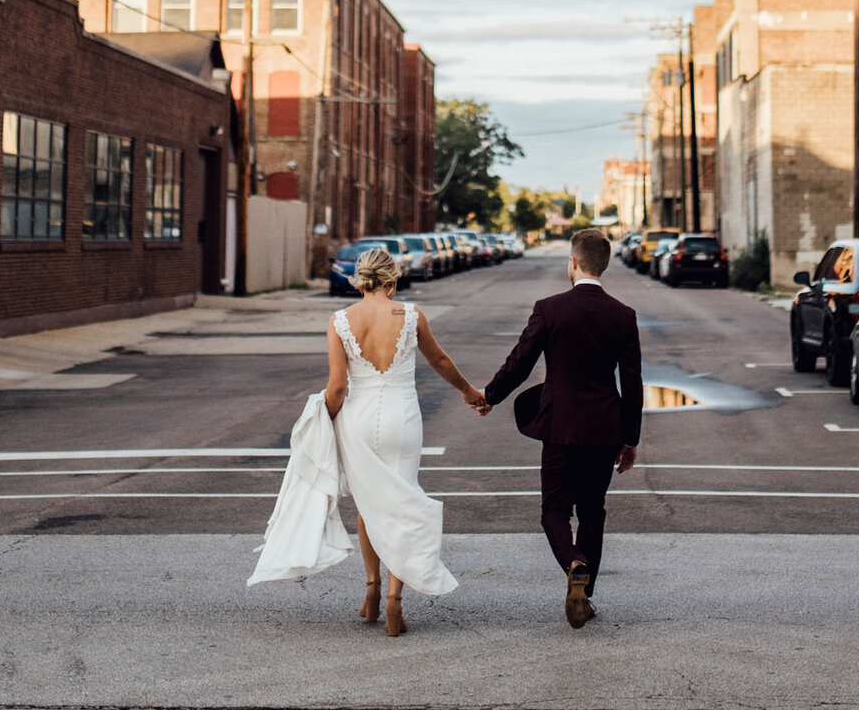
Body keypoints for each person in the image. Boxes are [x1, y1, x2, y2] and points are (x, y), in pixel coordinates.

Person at [250, 243, 488, 635]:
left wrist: (319, 424)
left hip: (358, 421)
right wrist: (467, 391)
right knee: (401, 502)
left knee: (368, 505)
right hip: (403, 419)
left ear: (360, 281)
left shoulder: (341, 320)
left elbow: (338, 388)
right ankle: (396, 599)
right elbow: (440, 361)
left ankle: (372, 590)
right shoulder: (410, 315)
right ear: (392, 281)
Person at [483, 226, 642, 628]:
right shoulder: (623, 315)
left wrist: (489, 395)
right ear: (603, 266)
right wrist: (630, 438)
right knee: (592, 511)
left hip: (559, 427)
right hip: (605, 428)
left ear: (572, 263)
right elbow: (633, 382)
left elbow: (520, 362)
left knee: (554, 509)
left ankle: (574, 562)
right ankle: (583, 597)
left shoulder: (550, 309)